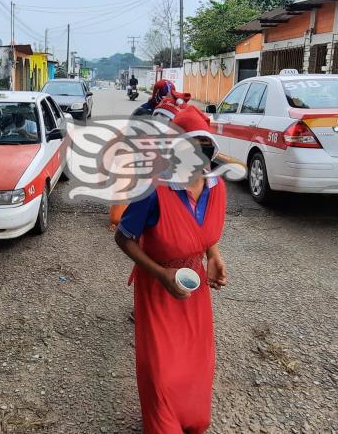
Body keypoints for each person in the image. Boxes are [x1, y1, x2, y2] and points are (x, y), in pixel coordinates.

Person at [114, 105, 227, 434]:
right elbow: (124, 237)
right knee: (162, 369)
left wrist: (213, 256)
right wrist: (161, 274)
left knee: (196, 362)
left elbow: (201, 230)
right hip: (157, 284)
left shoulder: (215, 187)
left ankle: (191, 416)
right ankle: (163, 422)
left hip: (195, 289)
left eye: (203, 150)